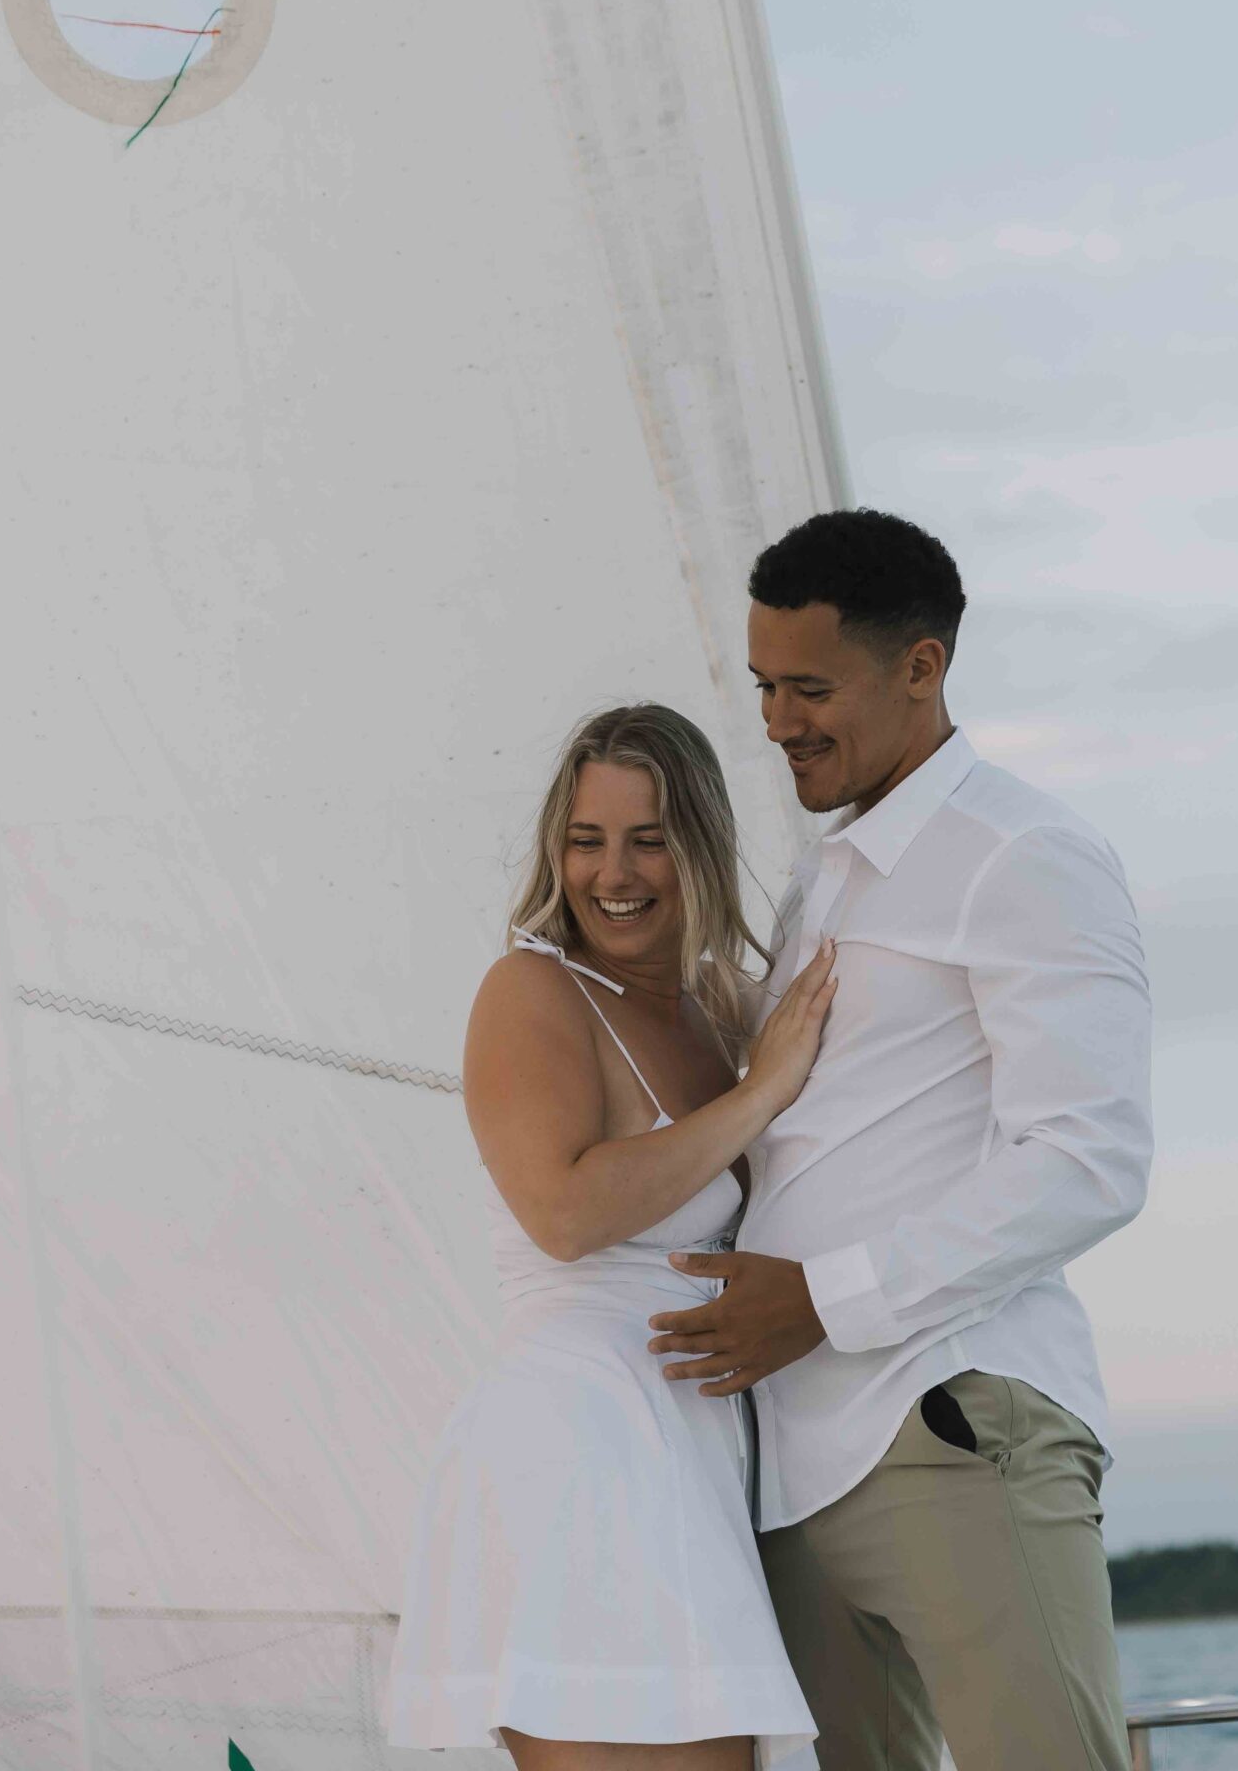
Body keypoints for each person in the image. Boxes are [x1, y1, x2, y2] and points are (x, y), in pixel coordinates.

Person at [647, 509, 1154, 1771]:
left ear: (921, 667)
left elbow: (1089, 1158)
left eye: (810, 686)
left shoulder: (1025, 854)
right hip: (786, 1471)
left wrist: (824, 1300)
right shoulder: (820, 880)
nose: (776, 720)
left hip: (947, 1428)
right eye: (764, 685)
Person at [385, 702, 829, 1771]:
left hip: (692, 1463)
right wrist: (763, 1091)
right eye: (586, 840)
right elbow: (566, 1210)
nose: (613, 872)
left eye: (648, 838)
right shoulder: (534, 988)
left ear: (701, 848)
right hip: (583, 1450)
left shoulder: (718, 1011)